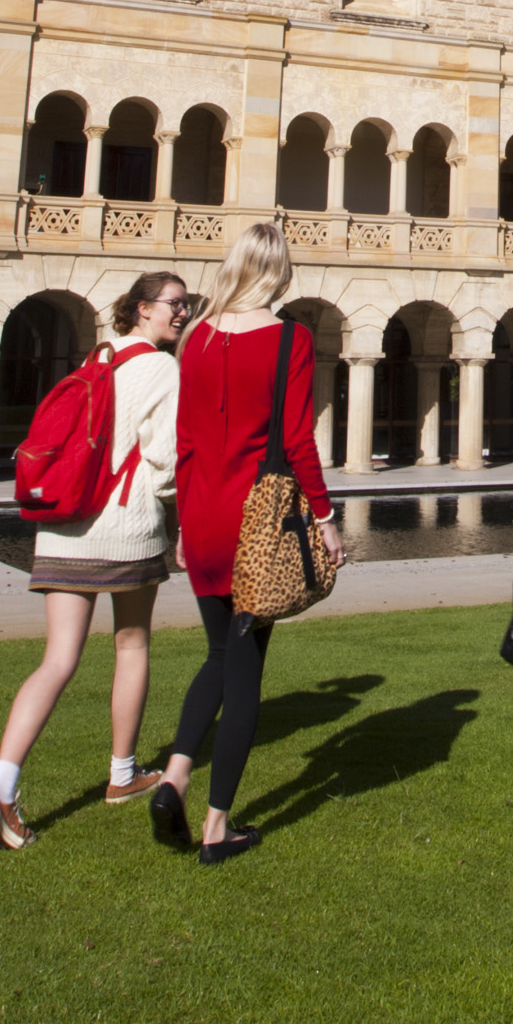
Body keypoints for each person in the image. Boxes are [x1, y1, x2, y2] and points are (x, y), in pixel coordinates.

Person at [0, 272, 190, 848]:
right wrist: (180, 510)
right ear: (143, 309)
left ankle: (1, 785)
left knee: (57, 661)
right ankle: (122, 774)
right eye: (174, 304)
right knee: (133, 643)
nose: (182, 313)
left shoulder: (96, 357)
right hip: (122, 529)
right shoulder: (161, 368)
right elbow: (166, 459)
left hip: (65, 528)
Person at [151, 221, 340, 868]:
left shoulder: (196, 337)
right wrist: (324, 515)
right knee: (245, 669)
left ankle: (174, 777)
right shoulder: (291, 337)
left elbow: (184, 438)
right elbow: (297, 438)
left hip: (202, 515)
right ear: (279, 271)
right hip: (256, 525)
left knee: (214, 655)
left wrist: (179, 525)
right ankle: (216, 825)